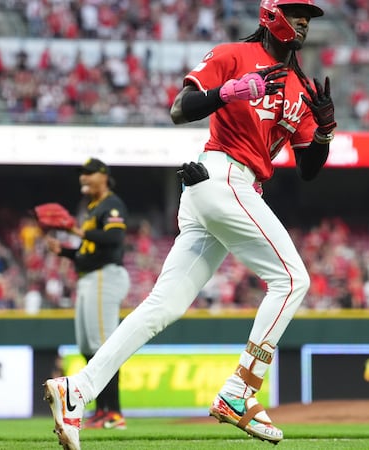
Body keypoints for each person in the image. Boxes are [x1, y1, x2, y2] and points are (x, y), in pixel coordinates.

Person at [43, 1, 336, 448]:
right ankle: (240, 391)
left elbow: (310, 168)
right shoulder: (233, 55)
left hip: (225, 189)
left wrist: (324, 132)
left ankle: (76, 390)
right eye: (297, 12)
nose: (303, 22)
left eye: (309, 17)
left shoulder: (300, 85)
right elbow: (180, 108)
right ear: (271, 14)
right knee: (293, 279)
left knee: (163, 307)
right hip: (221, 175)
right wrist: (229, 92)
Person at [44, 157, 131, 430]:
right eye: (81, 174)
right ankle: (102, 410)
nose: (83, 178)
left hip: (105, 276)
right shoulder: (92, 209)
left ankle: (114, 413)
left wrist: (76, 231)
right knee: (87, 347)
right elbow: (88, 250)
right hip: (90, 277)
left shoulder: (111, 204)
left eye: (89, 173)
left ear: (103, 176)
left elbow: (114, 240)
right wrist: (65, 251)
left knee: (103, 347)